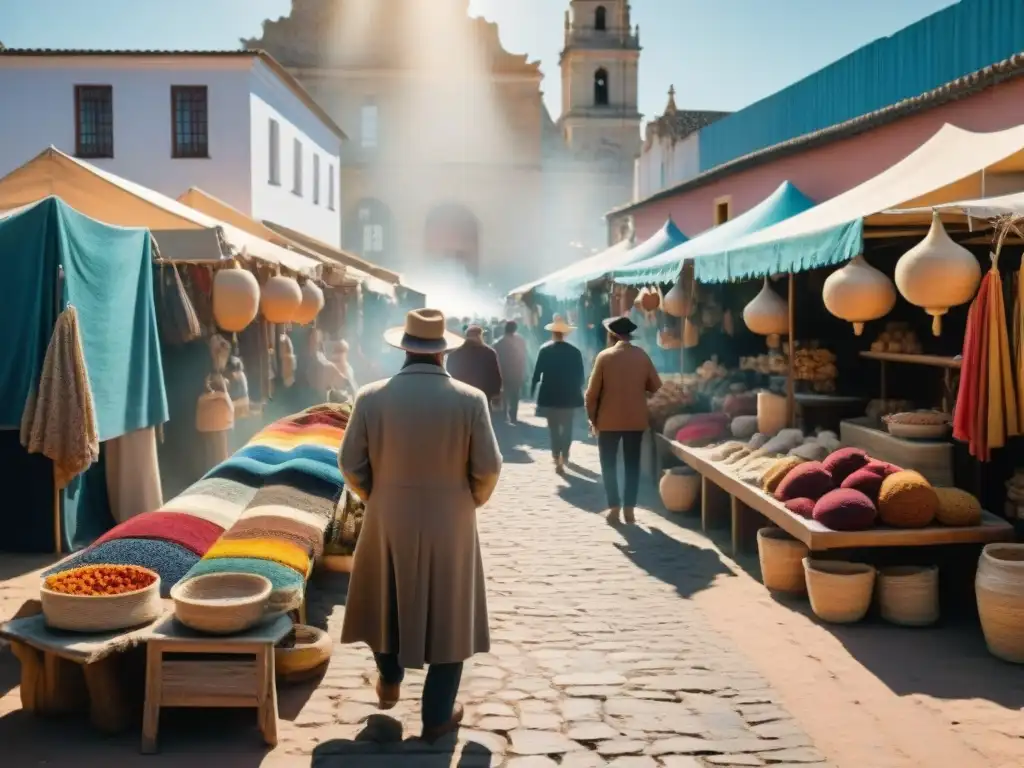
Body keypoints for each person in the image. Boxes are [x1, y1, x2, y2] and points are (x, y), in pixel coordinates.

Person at [339, 308, 503, 742]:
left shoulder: (371, 397)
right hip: (451, 520)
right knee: (451, 612)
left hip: (387, 513)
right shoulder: (470, 400)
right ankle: (436, 716)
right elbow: (488, 467)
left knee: (384, 597)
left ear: (405, 348)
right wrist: (469, 500)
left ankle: (389, 678)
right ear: (442, 353)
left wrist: (376, 494)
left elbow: (349, 463)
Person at [585, 315, 663, 525]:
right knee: (632, 465)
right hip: (635, 421)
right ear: (630, 335)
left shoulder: (604, 357)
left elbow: (591, 395)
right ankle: (629, 509)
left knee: (608, 464)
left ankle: (614, 507)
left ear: (612, 335)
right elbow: (656, 386)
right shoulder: (642, 356)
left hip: (607, 422)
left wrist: (593, 419)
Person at [531, 314, 585, 474]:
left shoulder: (545, 350)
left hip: (550, 396)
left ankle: (556, 456)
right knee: (567, 427)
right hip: (569, 396)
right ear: (565, 334)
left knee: (553, 428)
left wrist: (532, 391)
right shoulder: (575, 352)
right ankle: (565, 455)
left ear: (552, 333)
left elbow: (536, 374)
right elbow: (581, 376)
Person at [446, 325, 503, 404]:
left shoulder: (455, 353)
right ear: (480, 336)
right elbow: (495, 375)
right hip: (483, 395)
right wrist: (496, 394)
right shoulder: (489, 352)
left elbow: (449, 374)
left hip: (461, 395)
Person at [493, 320, 528, 424]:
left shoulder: (499, 342)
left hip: (503, 372)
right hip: (516, 372)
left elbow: (495, 359)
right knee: (515, 395)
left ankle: (504, 415)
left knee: (504, 394)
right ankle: (513, 416)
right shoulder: (520, 341)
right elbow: (523, 357)